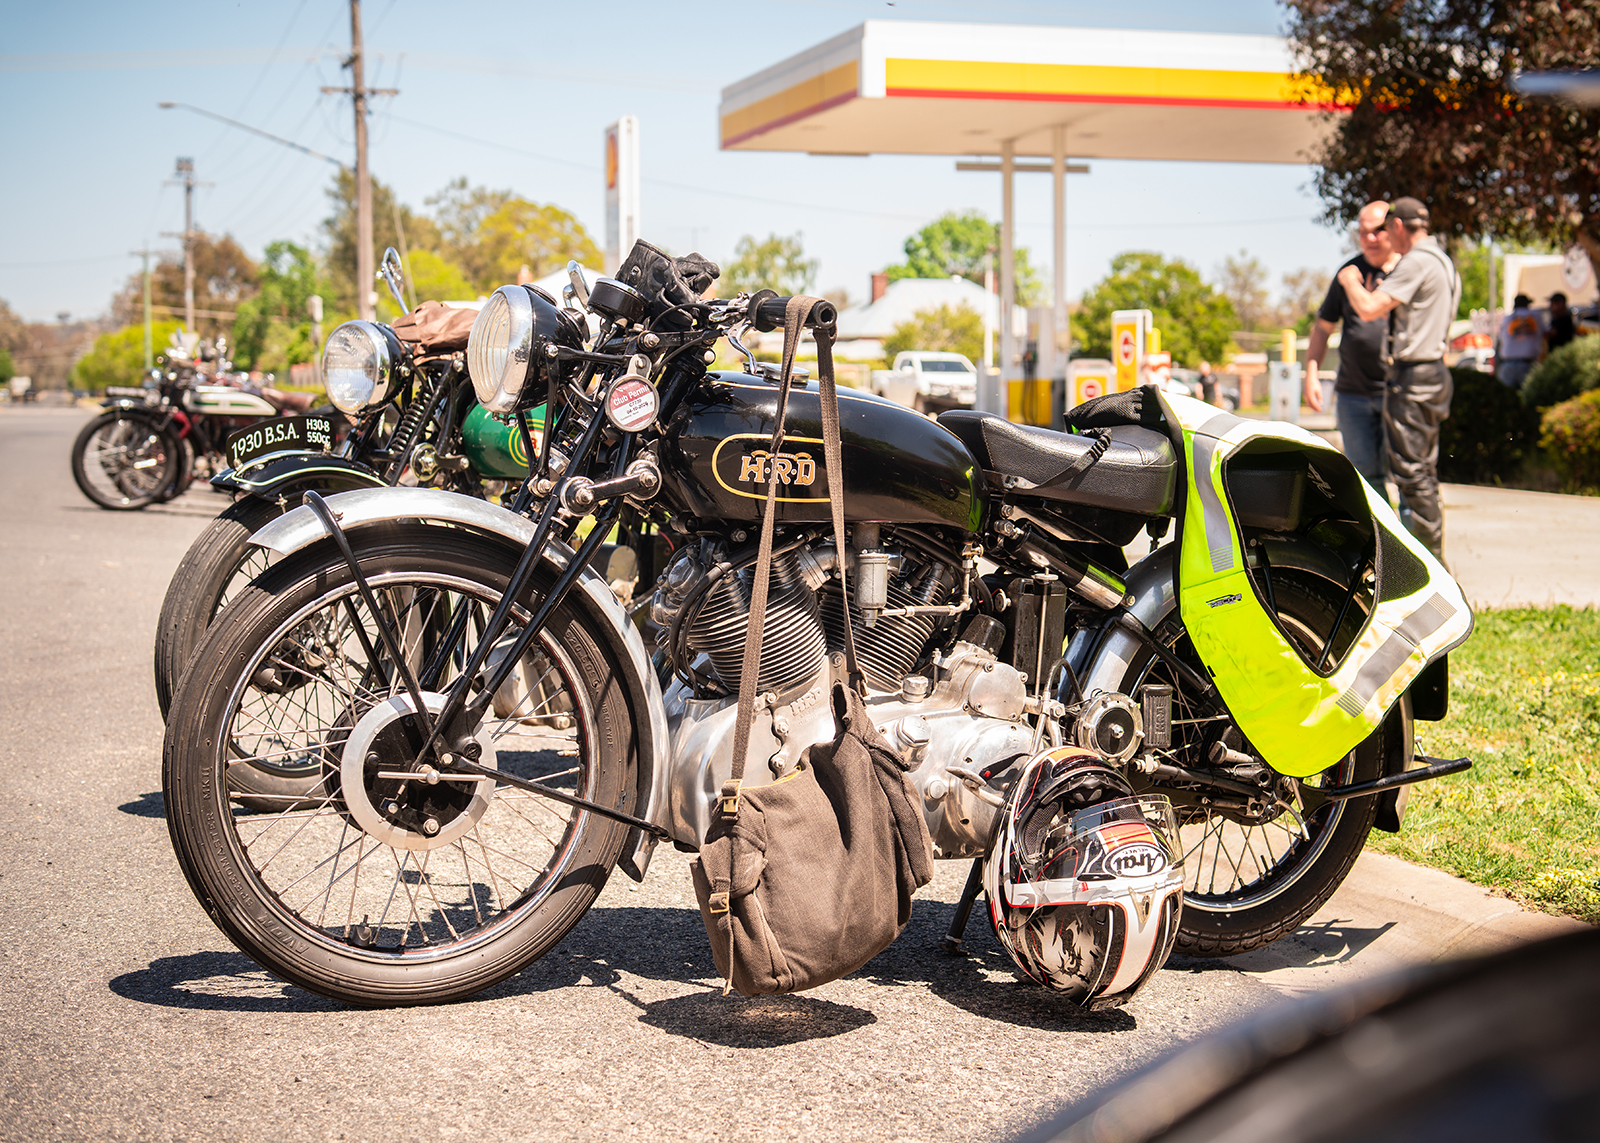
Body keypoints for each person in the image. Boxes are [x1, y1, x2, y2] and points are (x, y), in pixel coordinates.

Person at [1336, 196, 1461, 559]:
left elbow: (1370, 307)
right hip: (1434, 373)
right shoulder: (1444, 262)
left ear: (1399, 227)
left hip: (1414, 377)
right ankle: (1430, 565)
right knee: (1421, 472)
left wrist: (1349, 281)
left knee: (1412, 475)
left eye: (1388, 229)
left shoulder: (1418, 261)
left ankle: (1431, 573)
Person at [1306, 200, 1401, 496]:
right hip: (1353, 394)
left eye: (1377, 231)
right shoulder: (1348, 272)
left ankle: (1415, 540)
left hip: (1398, 392)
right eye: (1362, 232)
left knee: (1405, 475)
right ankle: (1379, 541)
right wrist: (1311, 373)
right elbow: (1323, 328)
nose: (1369, 239)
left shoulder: (1409, 272)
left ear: (1393, 230)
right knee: (1366, 480)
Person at [1495, 294, 1545, 389]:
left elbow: (1501, 339)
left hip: (1507, 364)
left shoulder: (1507, 318)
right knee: (1527, 396)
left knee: (1507, 397)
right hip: (1527, 364)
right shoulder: (1536, 316)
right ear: (1527, 304)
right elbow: (1545, 333)